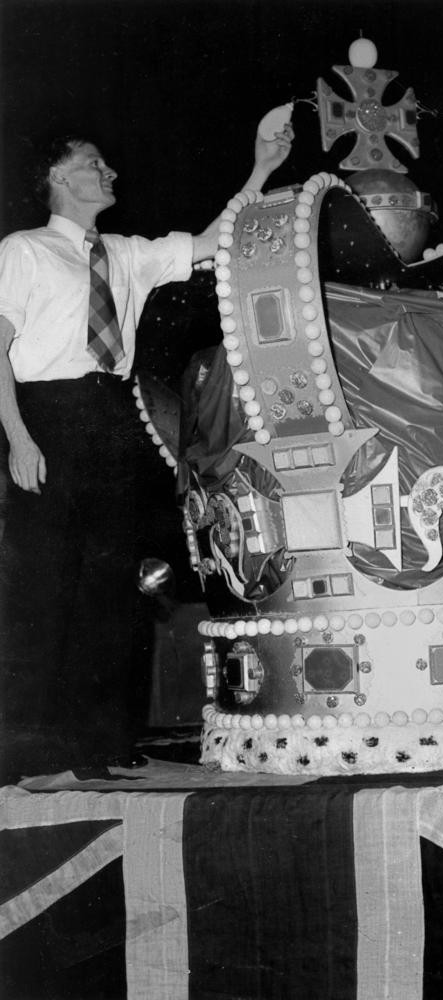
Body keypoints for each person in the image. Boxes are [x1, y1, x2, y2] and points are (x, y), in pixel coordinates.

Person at [0, 125, 292, 782]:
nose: (109, 171)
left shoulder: (126, 252)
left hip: (112, 413)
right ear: (57, 177)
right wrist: (18, 436)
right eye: (92, 162)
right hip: (46, 415)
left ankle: (102, 744)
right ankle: (30, 751)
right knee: (46, 585)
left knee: (115, 586)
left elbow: (216, 240)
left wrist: (260, 167)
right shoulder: (23, 250)